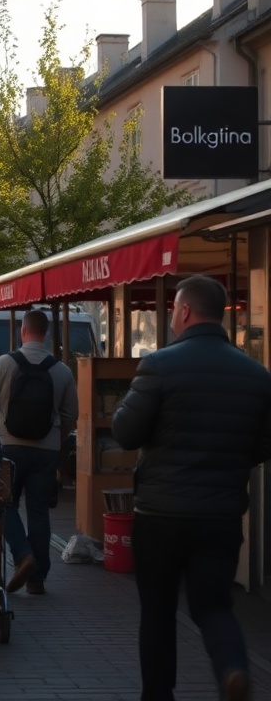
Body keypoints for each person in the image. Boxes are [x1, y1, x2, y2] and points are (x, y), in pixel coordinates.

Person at [112, 275, 271, 701]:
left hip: (160, 515)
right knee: (213, 605)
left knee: (159, 612)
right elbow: (264, 441)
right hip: (220, 514)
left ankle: (158, 695)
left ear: (183, 311)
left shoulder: (160, 365)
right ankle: (233, 668)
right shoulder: (256, 374)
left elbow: (125, 431)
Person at [0, 308, 77, 596]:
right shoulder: (62, 370)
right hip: (47, 452)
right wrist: (55, 437)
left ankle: (22, 555)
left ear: (22, 330)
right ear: (47, 334)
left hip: (10, 448)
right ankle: (37, 579)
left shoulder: (5, 364)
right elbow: (71, 415)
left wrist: (0, 424)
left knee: (5, 504)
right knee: (39, 511)